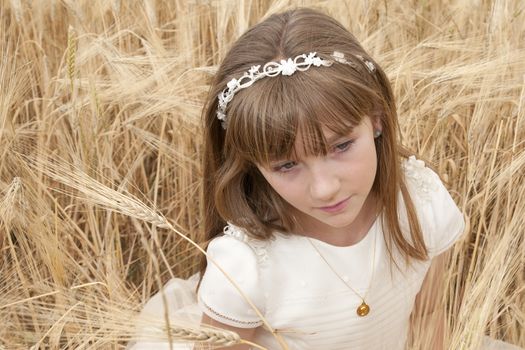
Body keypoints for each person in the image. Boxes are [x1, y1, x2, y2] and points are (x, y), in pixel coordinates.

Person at [128, 7, 520, 350]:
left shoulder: (421, 202)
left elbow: (429, 315)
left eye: (342, 146)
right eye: (286, 165)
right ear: (252, 165)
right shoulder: (246, 265)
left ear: (377, 120)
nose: (324, 188)